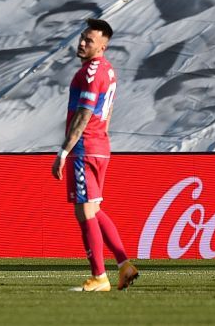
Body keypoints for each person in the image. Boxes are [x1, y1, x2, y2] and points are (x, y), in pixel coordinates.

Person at [51, 18, 138, 292]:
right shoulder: (108, 71)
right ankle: (124, 265)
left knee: (84, 211)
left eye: (89, 40)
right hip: (99, 146)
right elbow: (107, 114)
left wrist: (64, 151)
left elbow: (84, 114)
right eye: (82, 37)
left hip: (85, 148)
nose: (82, 43)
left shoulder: (91, 73)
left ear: (103, 45)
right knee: (94, 208)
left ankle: (99, 276)